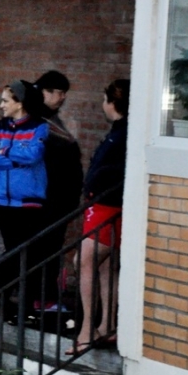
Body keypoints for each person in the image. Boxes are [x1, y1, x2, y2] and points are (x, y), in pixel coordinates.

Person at [68, 79, 129, 355]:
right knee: (105, 267)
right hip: (104, 205)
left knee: (85, 261)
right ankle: (107, 326)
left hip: (108, 206)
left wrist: (97, 181)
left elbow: (114, 169)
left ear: (112, 102)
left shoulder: (123, 133)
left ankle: (87, 330)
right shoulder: (120, 131)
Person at [0, 80, 50, 317]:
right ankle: (3, 301)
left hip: (28, 201)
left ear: (20, 103)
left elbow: (33, 155)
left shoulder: (39, 127)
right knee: (14, 251)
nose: (1, 105)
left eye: (5, 100)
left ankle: (16, 302)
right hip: (2, 201)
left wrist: (6, 152)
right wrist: (15, 159)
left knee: (24, 254)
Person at [33, 70, 83, 312]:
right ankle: (43, 298)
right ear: (44, 92)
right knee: (46, 250)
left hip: (57, 198)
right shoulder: (40, 122)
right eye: (59, 92)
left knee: (49, 249)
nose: (63, 97)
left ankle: (43, 296)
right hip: (48, 198)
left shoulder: (52, 120)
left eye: (65, 93)